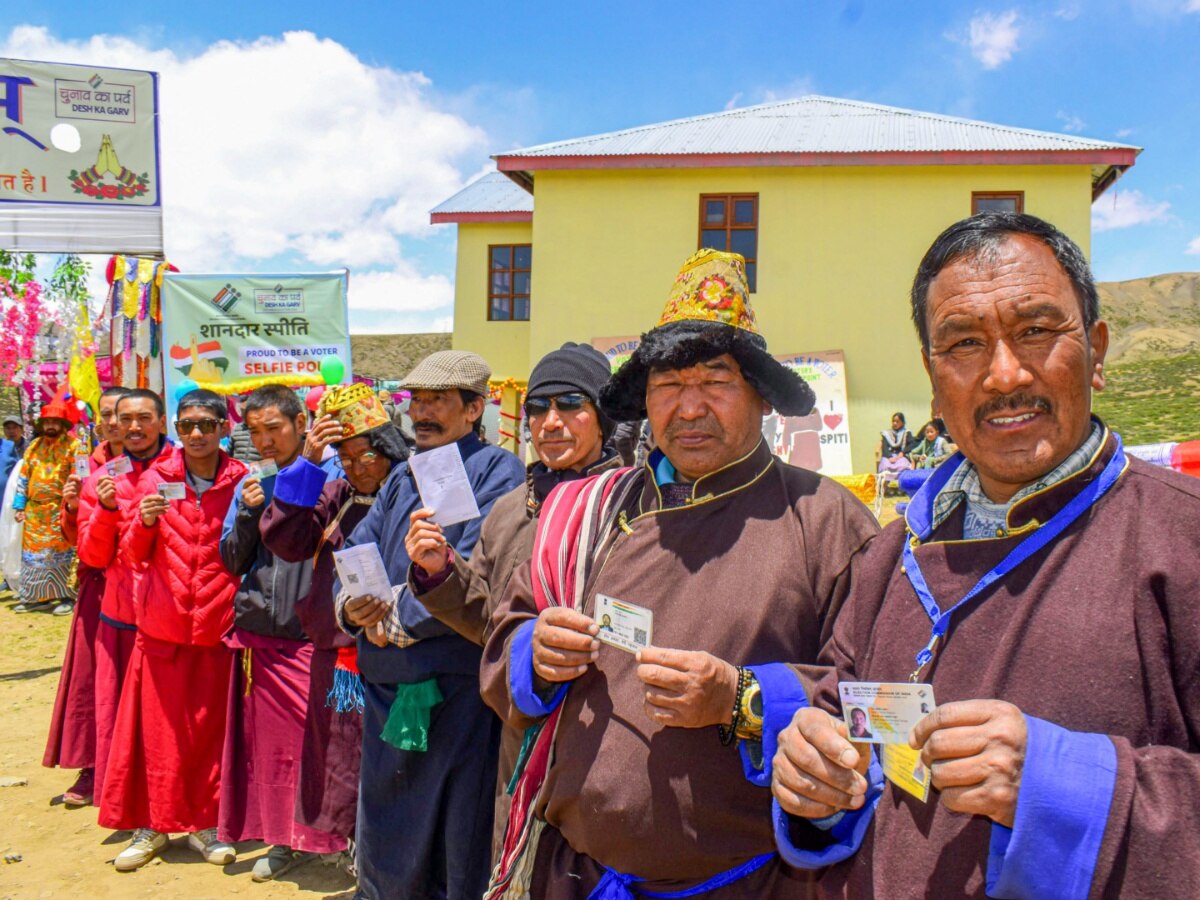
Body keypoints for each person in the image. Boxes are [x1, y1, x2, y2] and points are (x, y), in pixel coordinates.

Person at [771, 211, 1200, 898]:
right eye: (964, 344)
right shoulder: (892, 553)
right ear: (933, 377)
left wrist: (1063, 788)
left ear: (1096, 349)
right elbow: (838, 704)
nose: (1003, 375)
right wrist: (809, 772)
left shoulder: (1182, 538)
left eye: (1035, 330)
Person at [480, 249, 879, 898]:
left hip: (747, 885)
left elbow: (874, 700)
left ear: (759, 395)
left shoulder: (825, 520)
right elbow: (506, 633)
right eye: (668, 385)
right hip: (575, 875)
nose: (689, 408)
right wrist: (534, 651)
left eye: (715, 380)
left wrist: (741, 701)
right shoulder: (586, 513)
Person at [405, 341, 619, 859]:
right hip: (522, 732)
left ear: (603, 416)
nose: (551, 421)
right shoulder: (509, 511)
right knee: (524, 861)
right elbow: (488, 621)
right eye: (539, 407)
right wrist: (439, 573)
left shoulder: (635, 504)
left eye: (571, 404)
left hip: (606, 727)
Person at [333, 350, 524, 899]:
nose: (423, 413)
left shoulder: (498, 472)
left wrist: (396, 619)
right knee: (387, 833)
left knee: (453, 836)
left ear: (474, 410)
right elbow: (357, 549)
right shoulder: (400, 478)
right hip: (385, 686)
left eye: (438, 401)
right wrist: (353, 607)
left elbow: (470, 568)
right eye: (416, 401)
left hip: (455, 689)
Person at [259, 384, 410, 878]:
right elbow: (288, 540)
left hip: (401, 655)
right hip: (340, 657)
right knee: (341, 762)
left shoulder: (410, 494)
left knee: (393, 760)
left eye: (367, 452)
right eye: (345, 457)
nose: (358, 466)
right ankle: (356, 854)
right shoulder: (335, 495)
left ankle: (393, 858)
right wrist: (306, 464)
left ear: (388, 447)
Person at [100, 389, 246, 872]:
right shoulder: (155, 480)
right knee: (155, 736)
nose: (197, 434)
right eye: (188, 426)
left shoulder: (242, 481)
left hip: (217, 628)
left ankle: (206, 825)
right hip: (160, 627)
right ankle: (153, 826)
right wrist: (141, 525)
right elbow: (131, 556)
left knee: (207, 733)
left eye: (207, 424)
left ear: (224, 427)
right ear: (176, 429)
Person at [217, 384, 345, 882]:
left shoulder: (338, 473)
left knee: (323, 743)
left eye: (275, 428)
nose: (266, 441)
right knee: (275, 750)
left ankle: (328, 837)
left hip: (317, 632)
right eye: (255, 432)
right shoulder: (250, 482)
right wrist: (249, 512)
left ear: (301, 422)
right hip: (264, 636)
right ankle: (281, 838)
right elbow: (231, 560)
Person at [75, 388, 176, 813]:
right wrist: (105, 509)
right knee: (120, 716)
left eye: (143, 418)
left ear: (161, 421)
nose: (133, 427)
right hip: (120, 613)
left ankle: (173, 800)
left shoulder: (185, 469)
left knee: (171, 718)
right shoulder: (102, 481)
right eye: (124, 418)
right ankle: (127, 802)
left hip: (172, 616)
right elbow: (92, 555)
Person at [42, 386, 130, 807]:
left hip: (138, 587)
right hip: (98, 587)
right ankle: (93, 765)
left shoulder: (157, 463)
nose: (115, 423)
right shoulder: (91, 465)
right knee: (93, 679)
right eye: (108, 415)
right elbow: (77, 538)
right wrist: (74, 508)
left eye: (122, 415)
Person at [11, 395, 78, 614]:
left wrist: (74, 504)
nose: (50, 426)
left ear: (62, 424)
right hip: (35, 513)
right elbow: (23, 477)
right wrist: (19, 506)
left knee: (63, 554)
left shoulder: (73, 447)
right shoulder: (33, 447)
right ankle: (36, 598)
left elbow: (79, 476)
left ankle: (66, 596)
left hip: (61, 510)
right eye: (47, 422)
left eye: (54, 422)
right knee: (34, 557)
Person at [876, 411, 913, 485]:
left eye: (897, 421)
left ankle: (901, 487)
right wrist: (889, 457)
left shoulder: (906, 433)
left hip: (901, 455)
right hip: (888, 455)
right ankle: (886, 487)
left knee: (903, 465)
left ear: (902, 422)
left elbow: (911, 445)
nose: (895, 423)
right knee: (885, 465)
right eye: (893, 421)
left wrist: (903, 452)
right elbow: (885, 447)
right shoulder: (887, 434)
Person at [229, 397, 263, 463]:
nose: (242, 414)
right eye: (241, 411)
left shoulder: (264, 431)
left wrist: (255, 470)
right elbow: (229, 455)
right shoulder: (237, 429)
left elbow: (274, 463)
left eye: (245, 411)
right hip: (238, 471)